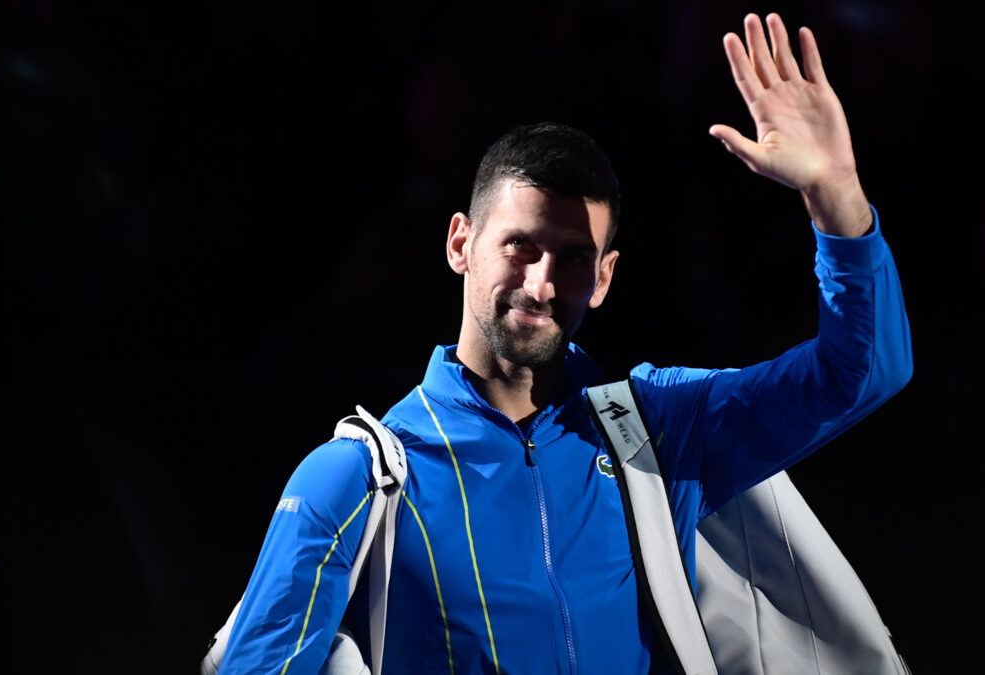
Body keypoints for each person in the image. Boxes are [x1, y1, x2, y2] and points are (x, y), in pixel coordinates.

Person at [218, 12, 912, 674]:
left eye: (573, 258)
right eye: (519, 246)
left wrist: (836, 194)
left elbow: (862, 372)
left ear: (605, 277)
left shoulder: (658, 427)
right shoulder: (353, 480)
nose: (542, 283)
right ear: (461, 242)